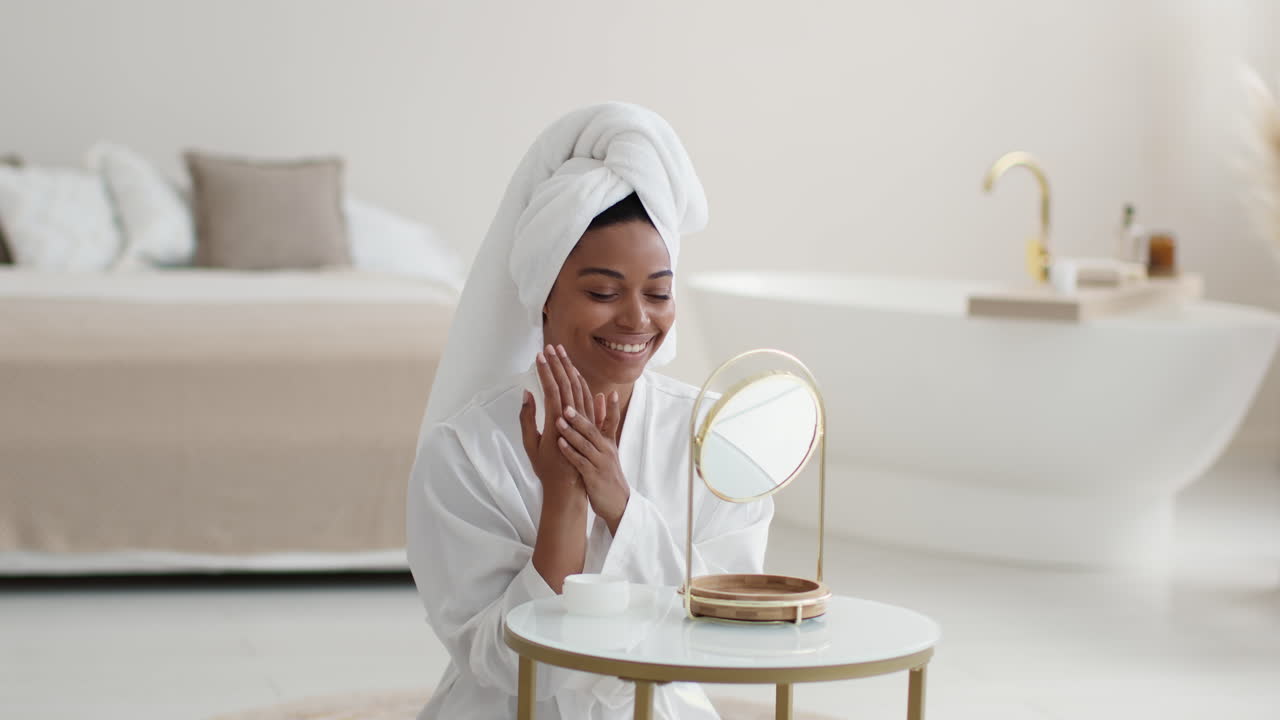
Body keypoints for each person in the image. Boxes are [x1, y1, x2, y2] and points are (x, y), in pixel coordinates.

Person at [406, 103, 772, 719]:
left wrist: (620, 503)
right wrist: (564, 503)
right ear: (542, 292)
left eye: (658, 292)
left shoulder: (715, 439)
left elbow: (724, 626)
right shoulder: (467, 449)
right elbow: (498, 662)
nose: (636, 319)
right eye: (603, 292)